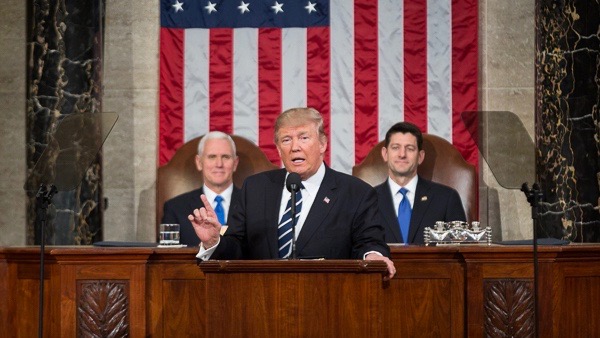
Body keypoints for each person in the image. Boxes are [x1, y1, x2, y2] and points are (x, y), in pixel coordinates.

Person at [189, 107, 395, 280]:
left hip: (329, 302)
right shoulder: (255, 188)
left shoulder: (356, 193)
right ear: (278, 149)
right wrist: (213, 241)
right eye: (286, 140)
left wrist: (374, 257)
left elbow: (369, 241)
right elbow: (236, 249)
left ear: (322, 144)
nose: (295, 147)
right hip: (260, 303)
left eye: (304, 138)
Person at [376, 122, 466, 244]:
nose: (402, 154)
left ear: (420, 156)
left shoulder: (447, 198)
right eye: (396, 147)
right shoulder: (368, 200)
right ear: (385, 154)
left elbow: (460, 250)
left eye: (410, 149)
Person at [162, 131, 240, 246]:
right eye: (212, 157)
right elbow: (167, 258)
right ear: (199, 162)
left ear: (235, 163)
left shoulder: (254, 204)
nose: (219, 164)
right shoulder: (175, 208)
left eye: (225, 157)